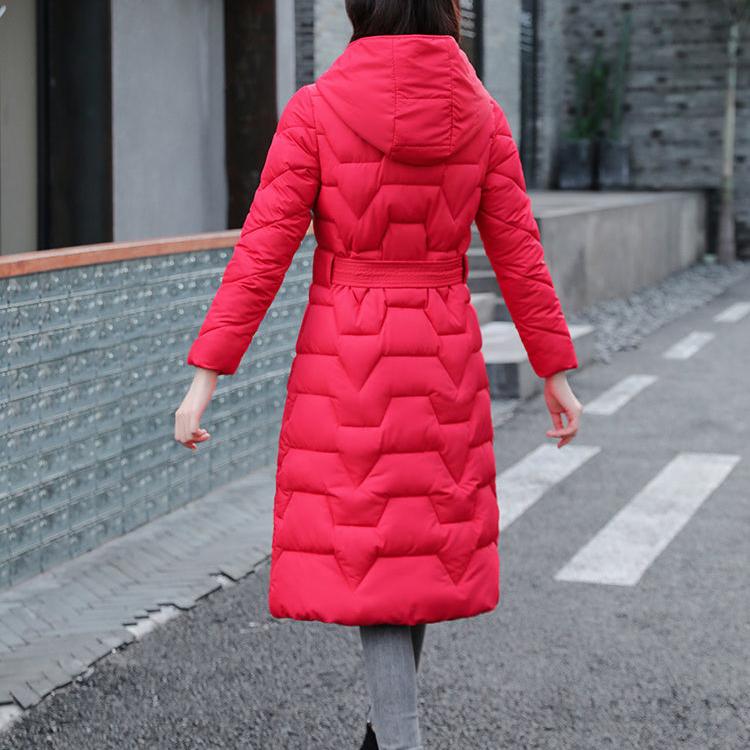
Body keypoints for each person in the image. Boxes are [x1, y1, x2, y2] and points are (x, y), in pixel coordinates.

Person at [174, 1, 583, 748]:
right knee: (410, 545)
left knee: (383, 549)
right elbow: (519, 250)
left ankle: (399, 737)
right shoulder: (483, 116)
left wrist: (206, 374)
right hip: (443, 351)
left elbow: (263, 250)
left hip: (349, 355)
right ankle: (386, 732)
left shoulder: (316, 110)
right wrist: (553, 369)